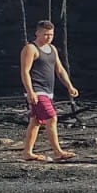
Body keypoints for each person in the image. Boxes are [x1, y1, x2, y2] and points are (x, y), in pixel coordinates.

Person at [19, 20, 78, 161]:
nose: (48, 37)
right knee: (51, 118)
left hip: (48, 91)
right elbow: (25, 71)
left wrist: (69, 85)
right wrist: (30, 91)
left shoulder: (52, 49)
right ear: (37, 33)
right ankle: (58, 152)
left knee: (36, 121)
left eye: (51, 34)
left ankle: (27, 152)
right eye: (45, 34)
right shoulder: (30, 49)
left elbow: (60, 69)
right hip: (37, 90)